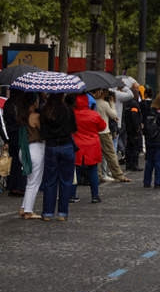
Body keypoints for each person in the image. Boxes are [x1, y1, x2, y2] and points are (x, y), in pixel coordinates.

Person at [39, 93, 77, 222]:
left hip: (51, 146)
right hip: (66, 145)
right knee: (66, 180)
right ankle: (62, 213)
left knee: (50, 180)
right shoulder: (68, 110)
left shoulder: (45, 110)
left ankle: (48, 212)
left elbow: (42, 131)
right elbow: (74, 128)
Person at [71, 93, 106, 204]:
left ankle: (72, 195)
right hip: (92, 145)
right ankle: (95, 196)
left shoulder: (72, 114)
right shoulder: (93, 114)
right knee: (93, 170)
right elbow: (102, 126)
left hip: (77, 145)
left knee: (75, 171)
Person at [92, 89, 130, 183]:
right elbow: (114, 115)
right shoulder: (104, 104)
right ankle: (118, 175)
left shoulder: (93, 103)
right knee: (111, 154)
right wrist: (112, 104)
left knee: (97, 156)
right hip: (104, 132)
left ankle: (99, 174)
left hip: (95, 132)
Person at [16, 92, 44, 219]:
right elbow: (43, 132)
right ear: (33, 102)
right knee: (34, 181)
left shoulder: (21, 115)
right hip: (35, 149)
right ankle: (28, 211)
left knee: (30, 180)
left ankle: (24, 207)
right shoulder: (35, 116)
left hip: (24, 150)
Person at [122, 83, 144, 172]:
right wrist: (137, 127)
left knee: (129, 147)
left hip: (128, 128)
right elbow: (134, 116)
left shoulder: (127, 103)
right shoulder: (134, 104)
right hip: (134, 129)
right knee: (135, 147)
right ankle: (134, 164)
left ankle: (129, 164)